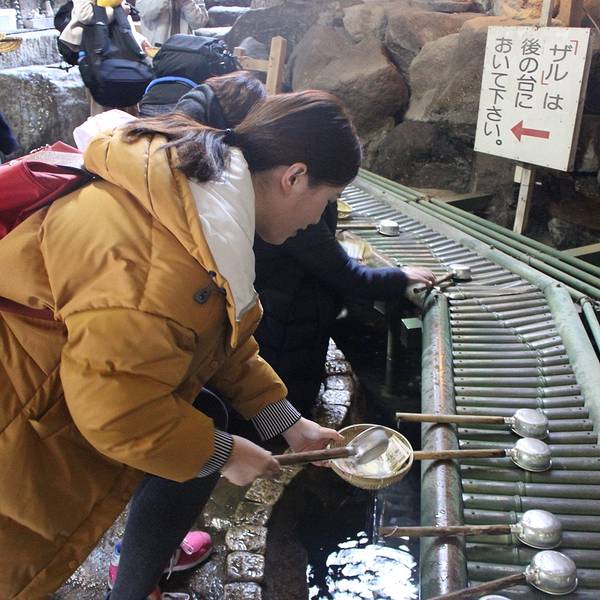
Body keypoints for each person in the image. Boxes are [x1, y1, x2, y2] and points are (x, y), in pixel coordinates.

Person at [0, 89, 361, 600]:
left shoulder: (197, 198)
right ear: (295, 177)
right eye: (328, 198)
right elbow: (118, 414)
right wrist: (225, 453)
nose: (318, 217)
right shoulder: (157, 260)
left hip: (51, 377)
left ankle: (142, 571)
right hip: (21, 410)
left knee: (205, 410)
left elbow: (214, 333)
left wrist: (288, 424)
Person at [253, 207, 435, 416]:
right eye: (334, 194)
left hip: (296, 324)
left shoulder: (302, 204)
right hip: (287, 330)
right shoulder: (295, 212)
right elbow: (350, 276)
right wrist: (401, 276)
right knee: (286, 404)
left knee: (288, 404)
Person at [136, 0, 208, 46]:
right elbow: (145, 13)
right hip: (156, 51)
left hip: (186, 51)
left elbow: (200, 21)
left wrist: (186, 2)